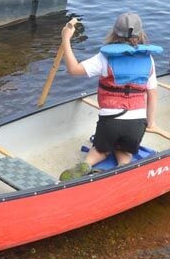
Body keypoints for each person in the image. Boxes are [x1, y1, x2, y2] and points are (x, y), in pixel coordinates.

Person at [58, 13, 159, 180]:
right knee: (125, 151)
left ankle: (87, 164)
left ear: (113, 33)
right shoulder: (149, 60)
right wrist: (151, 122)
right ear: (141, 34)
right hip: (136, 124)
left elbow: (73, 69)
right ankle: (123, 166)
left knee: (99, 149)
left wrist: (66, 39)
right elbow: (152, 93)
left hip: (110, 121)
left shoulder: (104, 58)